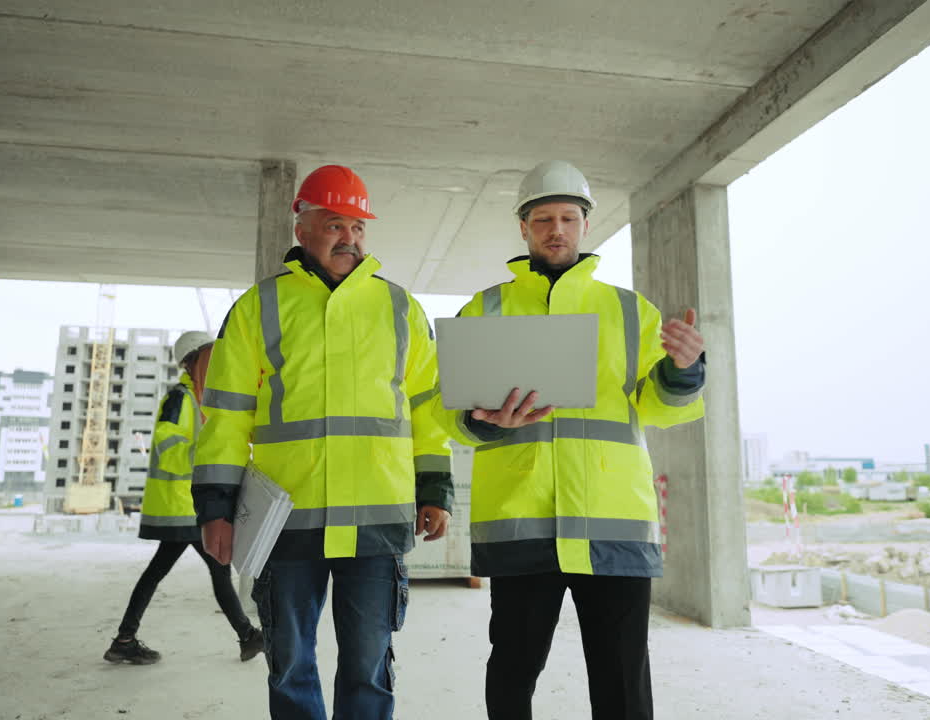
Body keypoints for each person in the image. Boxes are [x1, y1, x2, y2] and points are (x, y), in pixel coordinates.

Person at [436, 160, 707, 720]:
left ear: (585, 224)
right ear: (523, 227)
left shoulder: (630, 311)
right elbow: (448, 414)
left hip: (613, 531)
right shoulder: (485, 309)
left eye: (567, 217)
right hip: (522, 526)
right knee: (511, 672)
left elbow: (660, 407)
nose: (555, 229)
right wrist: (486, 423)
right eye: (542, 219)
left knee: (622, 682)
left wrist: (683, 370)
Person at [192, 165, 454, 720]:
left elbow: (428, 409)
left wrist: (434, 489)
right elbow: (226, 418)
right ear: (302, 228)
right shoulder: (258, 308)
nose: (350, 239)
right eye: (336, 225)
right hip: (287, 522)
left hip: (377, 523)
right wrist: (216, 507)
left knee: (369, 669)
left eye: (358, 228)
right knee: (290, 667)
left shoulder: (401, 308)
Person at [104, 331, 263, 665]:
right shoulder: (181, 397)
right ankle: (247, 636)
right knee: (207, 569)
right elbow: (166, 443)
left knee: (195, 570)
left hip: (187, 504)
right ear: (192, 361)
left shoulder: (202, 396)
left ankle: (125, 638)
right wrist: (205, 457)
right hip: (180, 504)